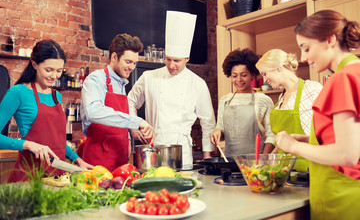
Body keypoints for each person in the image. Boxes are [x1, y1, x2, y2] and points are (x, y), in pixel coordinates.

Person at [276, 10, 360, 219]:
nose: (303, 58)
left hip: (341, 196)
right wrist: (309, 139)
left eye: (306, 48)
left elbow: (348, 155)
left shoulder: (342, 79)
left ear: (329, 40)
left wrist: (294, 146)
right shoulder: (356, 71)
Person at [127, 11, 216, 170]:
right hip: (153, 149)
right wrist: (133, 127)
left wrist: (207, 157)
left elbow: (208, 122)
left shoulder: (198, 83)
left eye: (177, 61)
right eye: (168, 59)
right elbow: (130, 101)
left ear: (187, 59)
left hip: (182, 150)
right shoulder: (149, 77)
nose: (171, 65)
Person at [0, 40, 93, 182]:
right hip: (29, 177)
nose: (54, 76)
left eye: (59, 70)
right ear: (34, 64)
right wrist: (27, 144)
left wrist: (77, 160)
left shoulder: (57, 96)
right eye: (48, 70)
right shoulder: (18, 92)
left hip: (57, 177)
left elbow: (58, 143)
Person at [80, 33, 153, 172]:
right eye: (128, 62)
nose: (132, 67)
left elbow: (117, 117)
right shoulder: (96, 79)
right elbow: (93, 111)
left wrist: (131, 133)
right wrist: (137, 121)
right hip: (98, 161)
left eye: (134, 63)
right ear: (114, 57)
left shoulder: (121, 84)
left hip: (120, 160)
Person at [256, 49, 322, 172]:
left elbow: (324, 135)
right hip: (283, 171)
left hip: (308, 170)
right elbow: (281, 140)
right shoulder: (281, 98)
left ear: (279, 67)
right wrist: (271, 157)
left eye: (265, 73)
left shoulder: (312, 89)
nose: (264, 80)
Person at [210, 48, 275, 157]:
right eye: (234, 76)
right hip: (229, 161)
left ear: (253, 75)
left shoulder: (263, 100)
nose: (238, 79)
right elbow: (220, 128)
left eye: (244, 75)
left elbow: (271, 135)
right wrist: (217, 132)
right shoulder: (225, 100)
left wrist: (263, 160)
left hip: (255, 163)